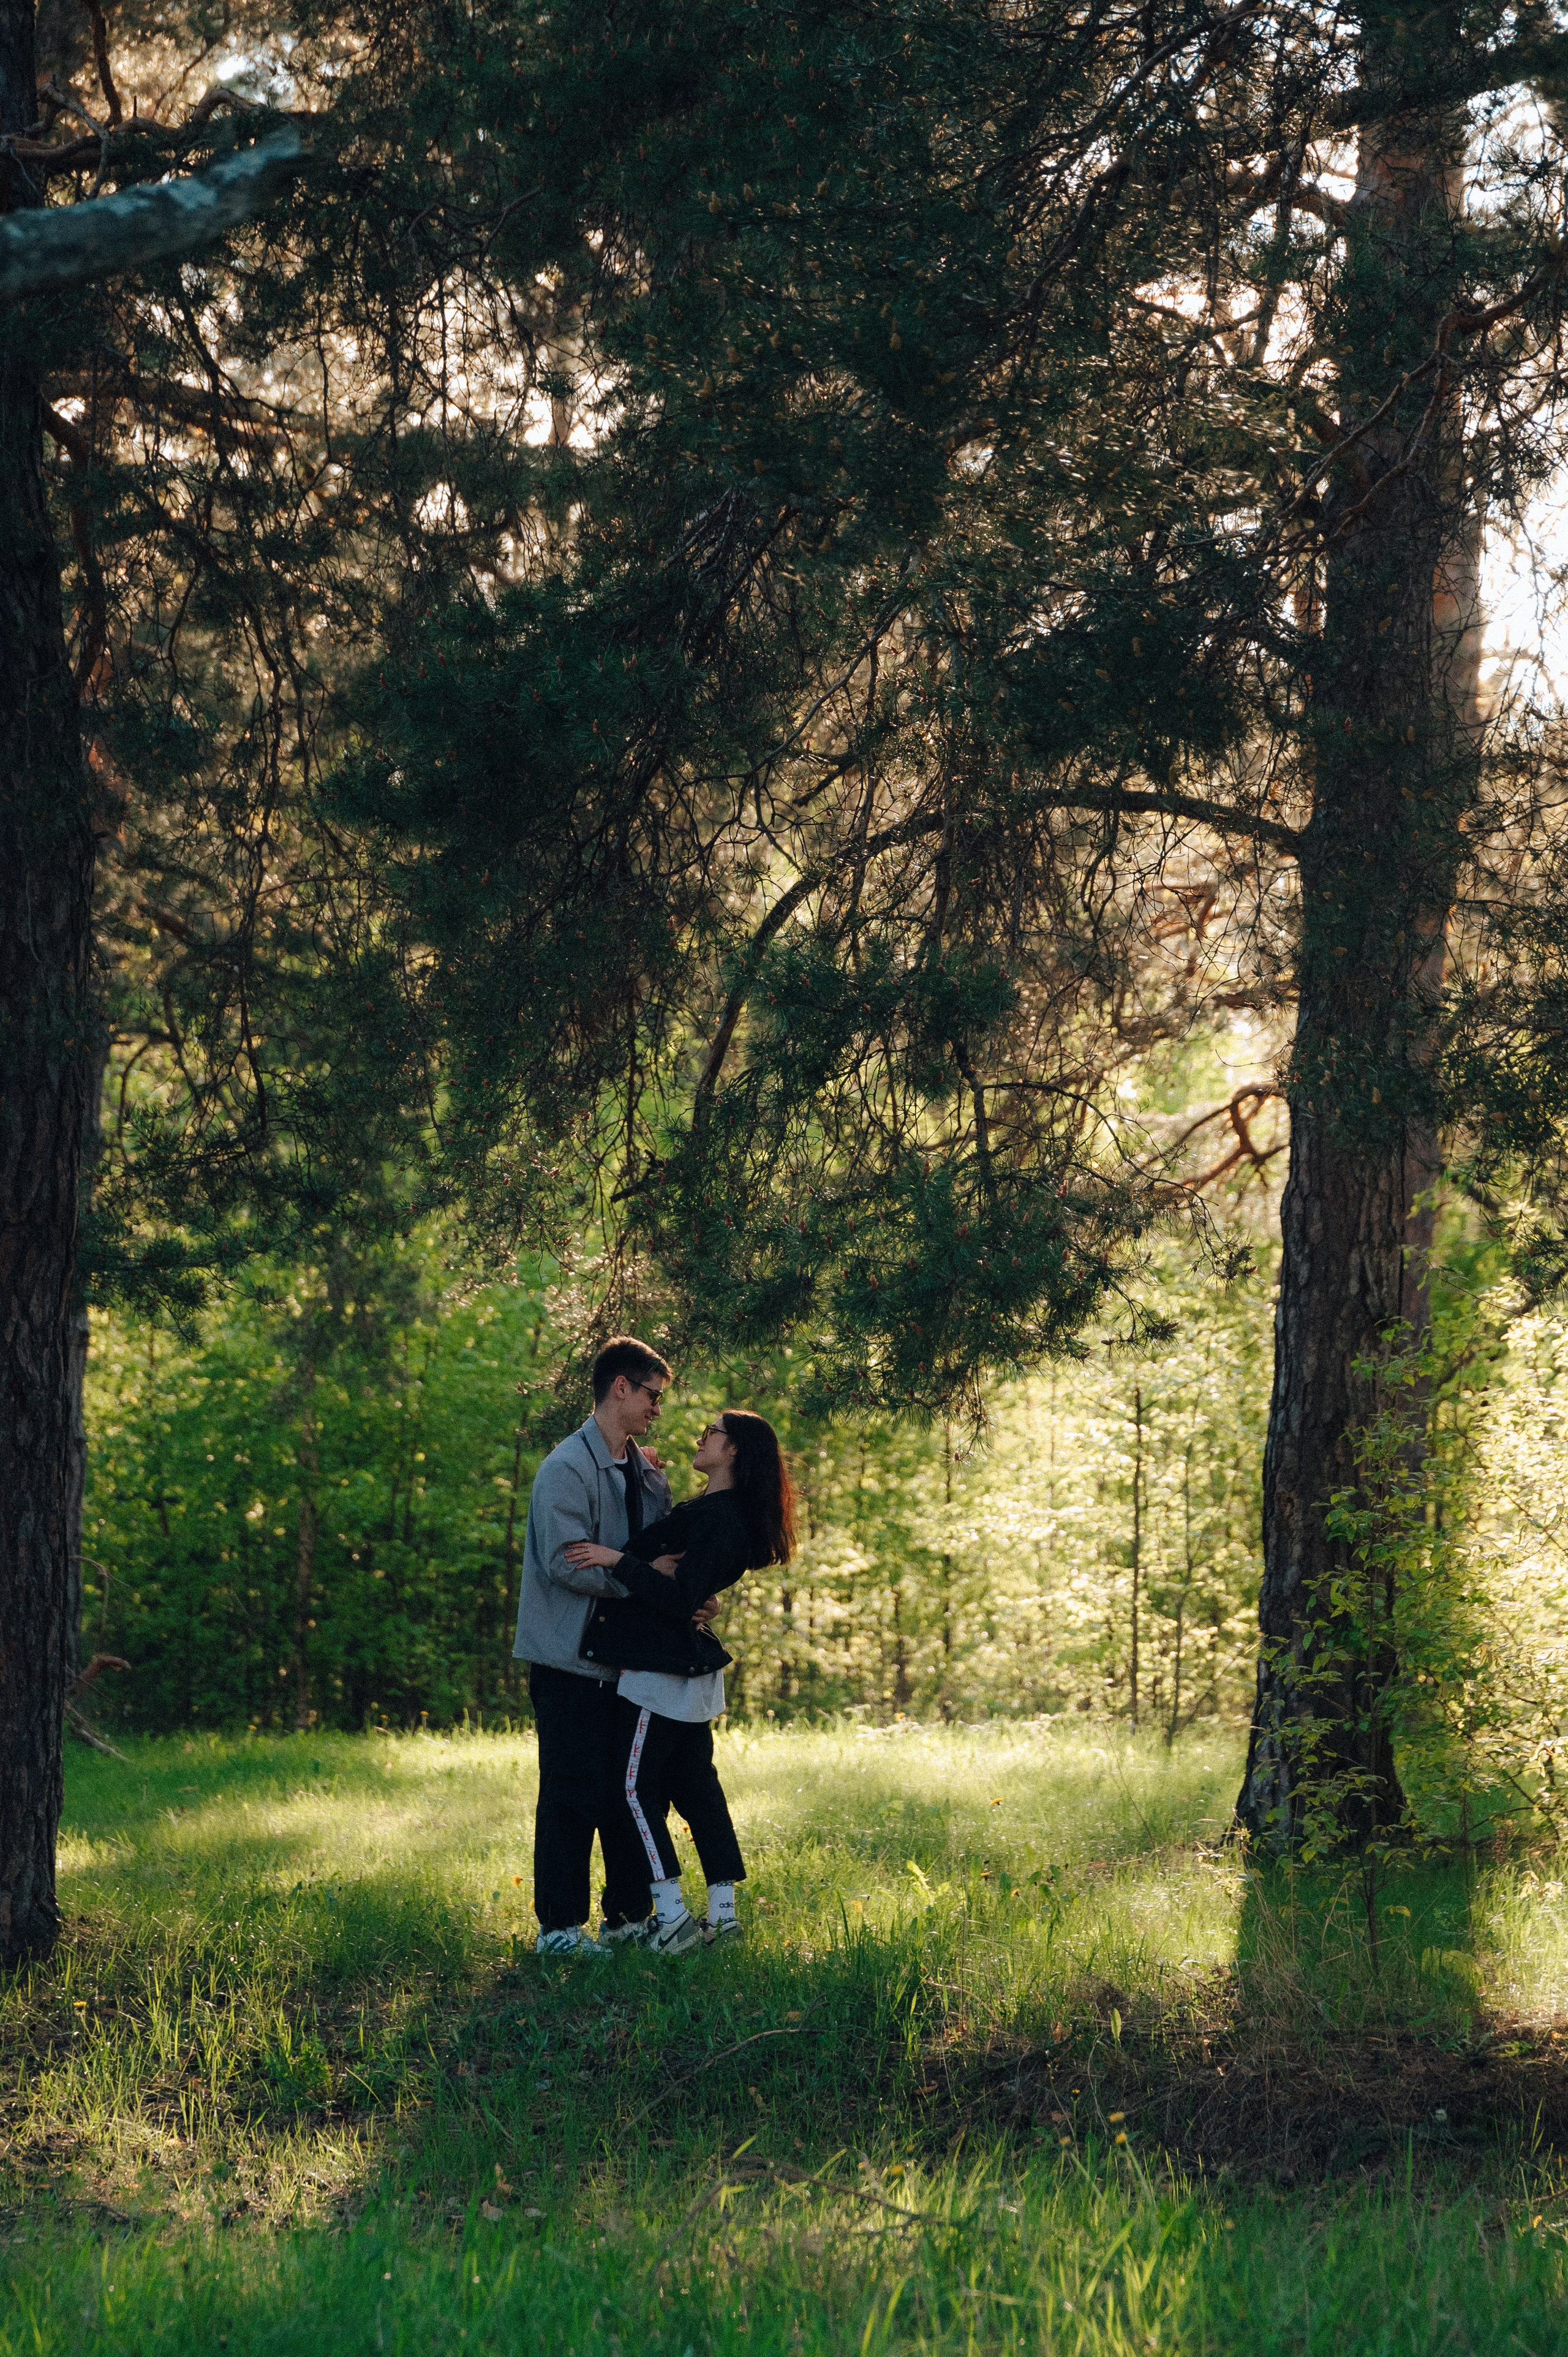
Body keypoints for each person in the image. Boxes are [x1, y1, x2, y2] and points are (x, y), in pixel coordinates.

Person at [563, 1409, 796, 1957]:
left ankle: (671, 1919)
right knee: (697, 1791)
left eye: (712, 1432)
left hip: (662, 1674)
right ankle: (724, 1917)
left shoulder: (722, 1517)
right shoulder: (720, 1511)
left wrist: (614, 1559)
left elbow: (676, 1595)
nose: (701, 1437)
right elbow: (689, 1586)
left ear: (734, 1448)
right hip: (681, 1670)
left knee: (632, 1792)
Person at [512, 1335, 676, 1957]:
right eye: (651, 1396)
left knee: (627, 1793)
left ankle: (627, 1918)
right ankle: (557, 1929)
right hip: (568, 1661)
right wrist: (644, 1579)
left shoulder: (644, 1472)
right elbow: (566, 1565)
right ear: (620, 1388)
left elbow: (658, 1548)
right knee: (570, 1792)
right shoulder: (566, 1469)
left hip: (625, 1661)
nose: (656, 1409)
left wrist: (667, 1577)